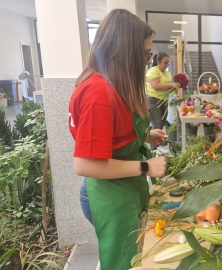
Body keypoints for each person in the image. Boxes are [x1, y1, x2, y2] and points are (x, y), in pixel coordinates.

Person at [68, 9, 168, 270]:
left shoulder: (111, 85)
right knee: (121, 262)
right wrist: (146, 166)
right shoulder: (97, 93)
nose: (147, 61)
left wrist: (145, 135)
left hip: (123, 188)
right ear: (126, 51)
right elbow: (85, 165)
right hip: (108, 194)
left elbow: (109, 132)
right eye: (145, 54)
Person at [146, 52, 180, 149]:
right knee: (157, 125)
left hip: (164, 100)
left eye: (168, 63)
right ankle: (153, 152)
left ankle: (157, 149)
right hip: (153, 100)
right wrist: (171, 85)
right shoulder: (153, 71)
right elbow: (155, 86)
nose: (167, 65)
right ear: (158, 61)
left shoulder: (167, 73)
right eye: (165, 63)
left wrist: (174, 89)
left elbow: (168, 87)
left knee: (161, 125)